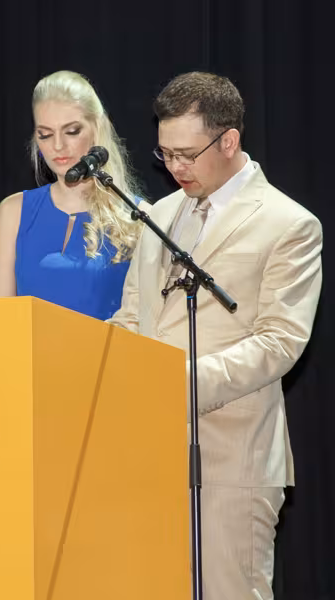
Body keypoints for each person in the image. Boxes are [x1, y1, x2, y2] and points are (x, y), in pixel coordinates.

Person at [108, 72, 322, 599]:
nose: (175, 168)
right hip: (146, 452)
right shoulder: (158, 216)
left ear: (229, 141)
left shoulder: (289, 223)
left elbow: (279, 342)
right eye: (165, 155)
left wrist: (175, 383)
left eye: (186, 154)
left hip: (234, 458)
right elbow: (133, 316)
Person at [0, 70, 144, 320]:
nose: (58, 145)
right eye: (45, 134)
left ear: (98, 128)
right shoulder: (13, 212)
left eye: (71, 131)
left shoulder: (138, 216)